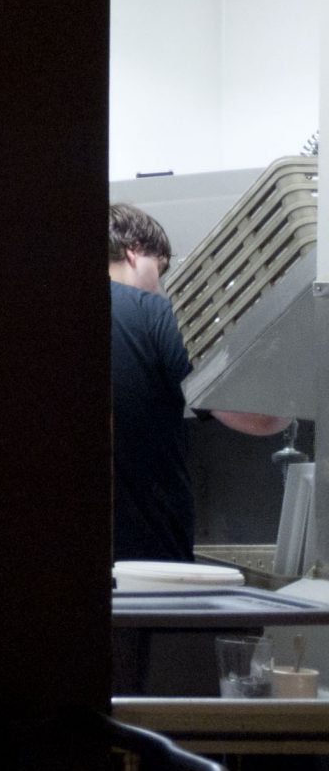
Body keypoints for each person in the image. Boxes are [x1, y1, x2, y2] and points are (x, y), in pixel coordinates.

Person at [108, 203, 287, 561]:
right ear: (134, 253)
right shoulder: (154, 312)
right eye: (159, 269)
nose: (160, 286)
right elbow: (257, 418)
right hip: (148, 560)